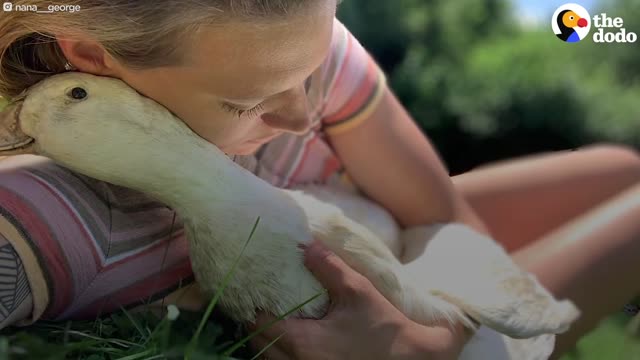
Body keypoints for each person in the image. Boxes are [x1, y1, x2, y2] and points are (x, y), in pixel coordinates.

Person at [0, 1, 639, 359]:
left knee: (621, 170)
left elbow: (440, 215)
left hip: (371, 226)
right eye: (247, 103)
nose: (306, 116)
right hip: (360, 261)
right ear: (89, 58)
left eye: (309, 73)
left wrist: (424, 329)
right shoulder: (53, 210)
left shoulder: (290, 39)